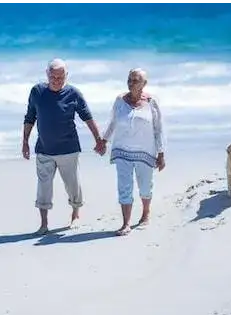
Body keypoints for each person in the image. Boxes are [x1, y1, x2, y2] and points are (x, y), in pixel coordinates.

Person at [22, 58, 104, 235]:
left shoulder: (73, 93)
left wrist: (98, 139)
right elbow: (29, 117)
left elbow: (88, 117)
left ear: (66, 75)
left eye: (61, 77)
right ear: (47, 74)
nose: (57, 81)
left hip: (68, 149)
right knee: (44, 186)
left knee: (72, 185)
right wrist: (25, 142)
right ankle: (44, 224)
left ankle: (75, 214)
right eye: (53, 77)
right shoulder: (37, 92)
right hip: (44, 149)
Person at [96, 67, 166, 236]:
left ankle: (145, 213)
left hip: (145, 151)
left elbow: (159, 129)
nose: (131, 83)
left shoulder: (151, 102)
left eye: (135, 80)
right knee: (124, 186)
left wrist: (161, 153)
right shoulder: (120, 100)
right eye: (129, 79)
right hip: (122, 150)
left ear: (144, 83)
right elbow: (113, 122)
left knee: (145, 186)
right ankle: (126, 223)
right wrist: (103, 140)